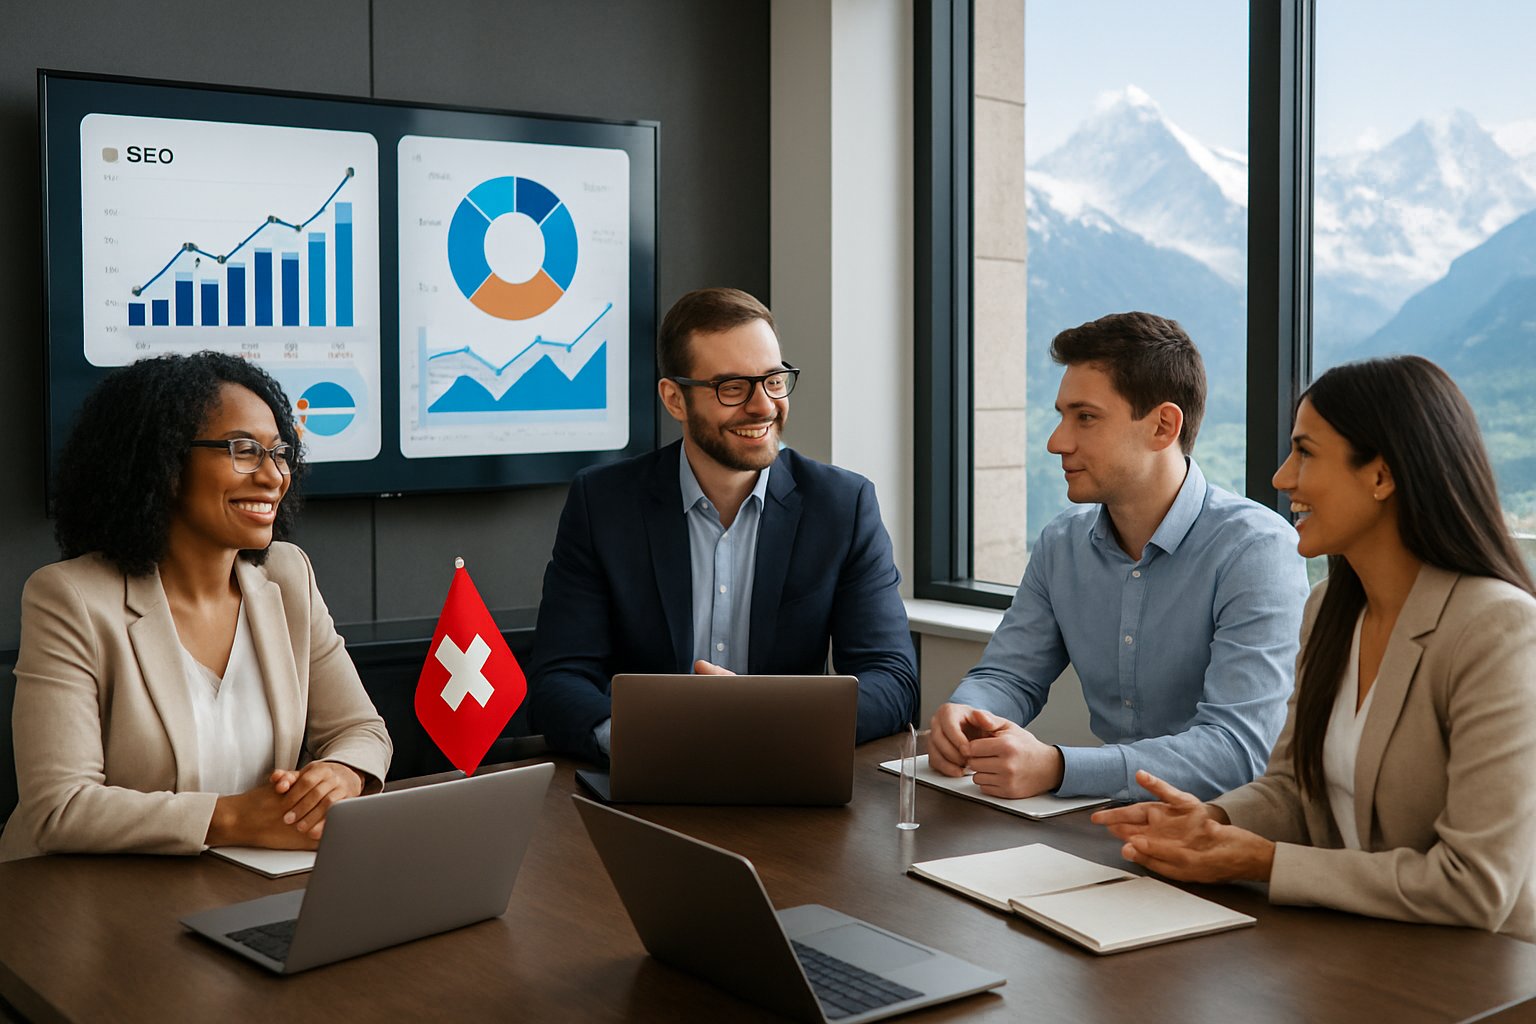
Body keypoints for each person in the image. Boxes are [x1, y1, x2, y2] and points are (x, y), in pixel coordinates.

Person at [1094, 355, 1536, 941]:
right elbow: (1296, 791)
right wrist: (1213, 820)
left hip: (1481, 976)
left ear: (1381, 476)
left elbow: (1474, 885)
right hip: (1357, 947)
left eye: (1305, 452)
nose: (1282, 478)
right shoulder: (1329, 609)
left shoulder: (1499, 631)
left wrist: (1261, 861)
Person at [0, 353, 392, 862]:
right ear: (163, 464)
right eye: (244, 450)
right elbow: (60, 807)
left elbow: (361, 730)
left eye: (279, 452)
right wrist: (232, 817)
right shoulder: (69, 598)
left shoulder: (287, 576)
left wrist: (340, 774)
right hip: (80, 899)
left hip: (234, 882)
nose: (274, 476)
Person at [929, 312, 1309, 802]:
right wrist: (966, 713)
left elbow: (1237, 751)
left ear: (1162, 426)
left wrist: (1059, 767)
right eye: (1062, 415)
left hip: (1225, 836)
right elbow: (1009, 675)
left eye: (1085, 417)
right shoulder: (1061, 543)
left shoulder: (1256, 550)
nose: (1057, 441)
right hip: (1109, 824)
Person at [528, 287, 918, 763]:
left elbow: (893, 680)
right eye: (732, 388)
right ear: (675, 399)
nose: (763, 406)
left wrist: (769, 719)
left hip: (787, 778)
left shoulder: (842, 505)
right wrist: (642, 739)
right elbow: (559, 679)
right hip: (647, 780)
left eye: (774, 380)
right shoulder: (603, 504)